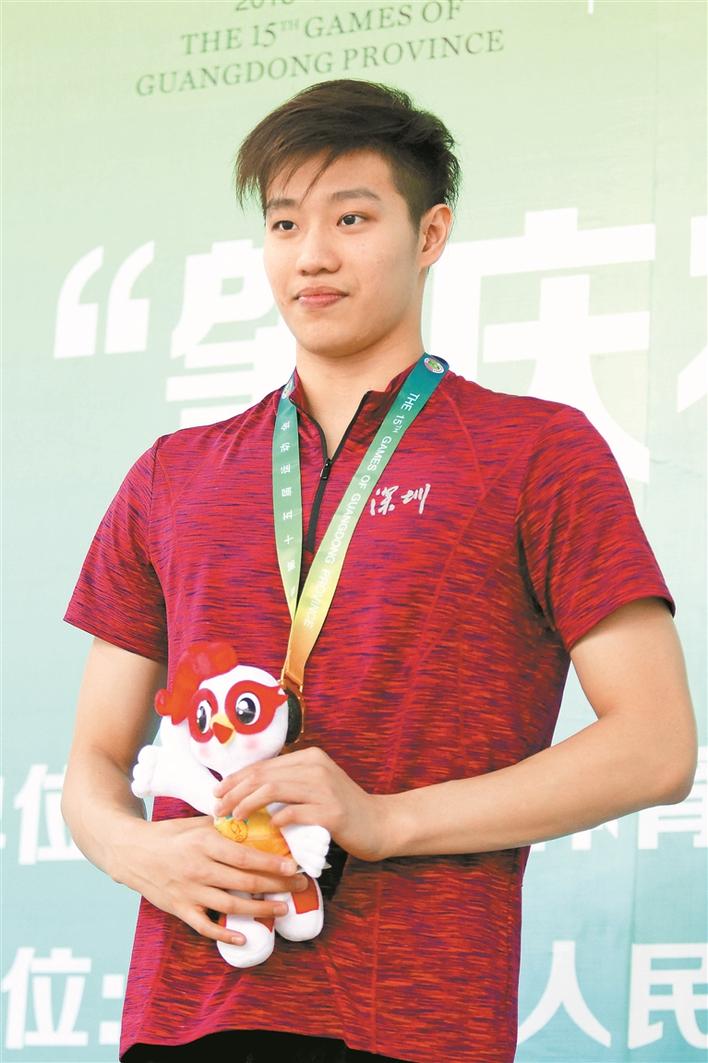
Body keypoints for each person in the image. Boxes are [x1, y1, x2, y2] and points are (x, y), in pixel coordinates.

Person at [61, 79, 697, 1063]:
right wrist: (137, 848)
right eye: (284, 223)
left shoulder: (535, 453)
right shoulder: (172, 475)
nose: (311, 254)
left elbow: (656, 746)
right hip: (186, 1016)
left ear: (429, 234)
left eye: (351, 218)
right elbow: (94, 764)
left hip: (415, 1022)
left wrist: (382, 820)